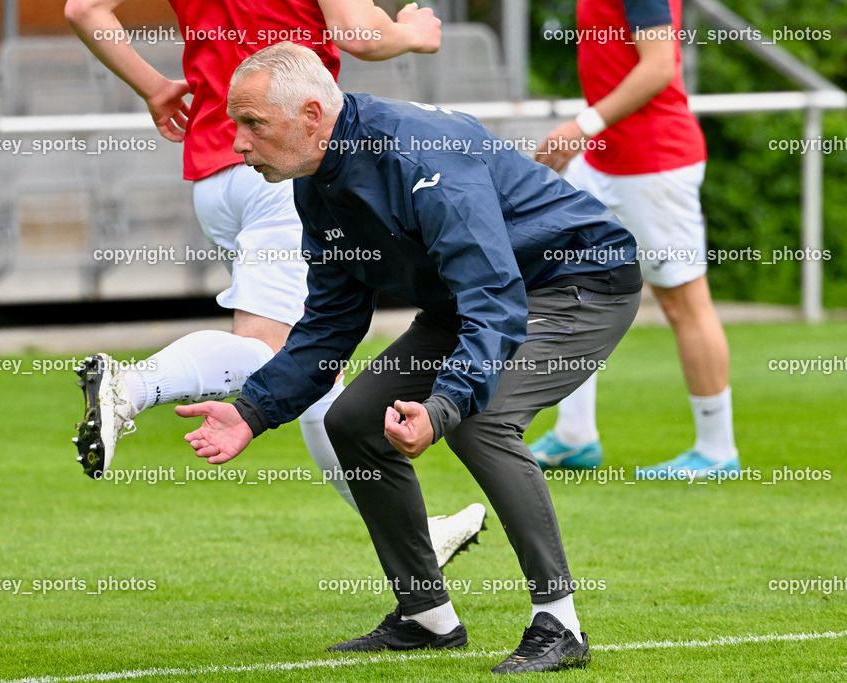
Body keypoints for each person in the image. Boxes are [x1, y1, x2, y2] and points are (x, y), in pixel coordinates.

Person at [177, 42, 643, 674]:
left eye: (252, 123)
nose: (237, 143)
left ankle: (559, 622)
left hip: (577, 281)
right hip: (476, 297)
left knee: (481, 419)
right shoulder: (317, 187)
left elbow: (494, 298)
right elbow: (332, 323)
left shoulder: (421, 154)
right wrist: (252, 412)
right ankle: (426, 616)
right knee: (350, 420)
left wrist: (445, 404)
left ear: (312, 115)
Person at [64, 0, 486, 566]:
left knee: (313, 367)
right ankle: (131, 388)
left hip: (216, 175)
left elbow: (83, 9)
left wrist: (154, 87)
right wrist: (411, 32)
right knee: (275, 352)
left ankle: (413, 533)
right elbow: (359, 35)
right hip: (280, 161)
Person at [531, 0, 739, 480]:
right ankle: (575, 434)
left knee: (683, 302)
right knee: (568, 287)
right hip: (603, 163)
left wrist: (580, 128)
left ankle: (716, 450)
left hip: (654, 163)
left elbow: (659, 66)